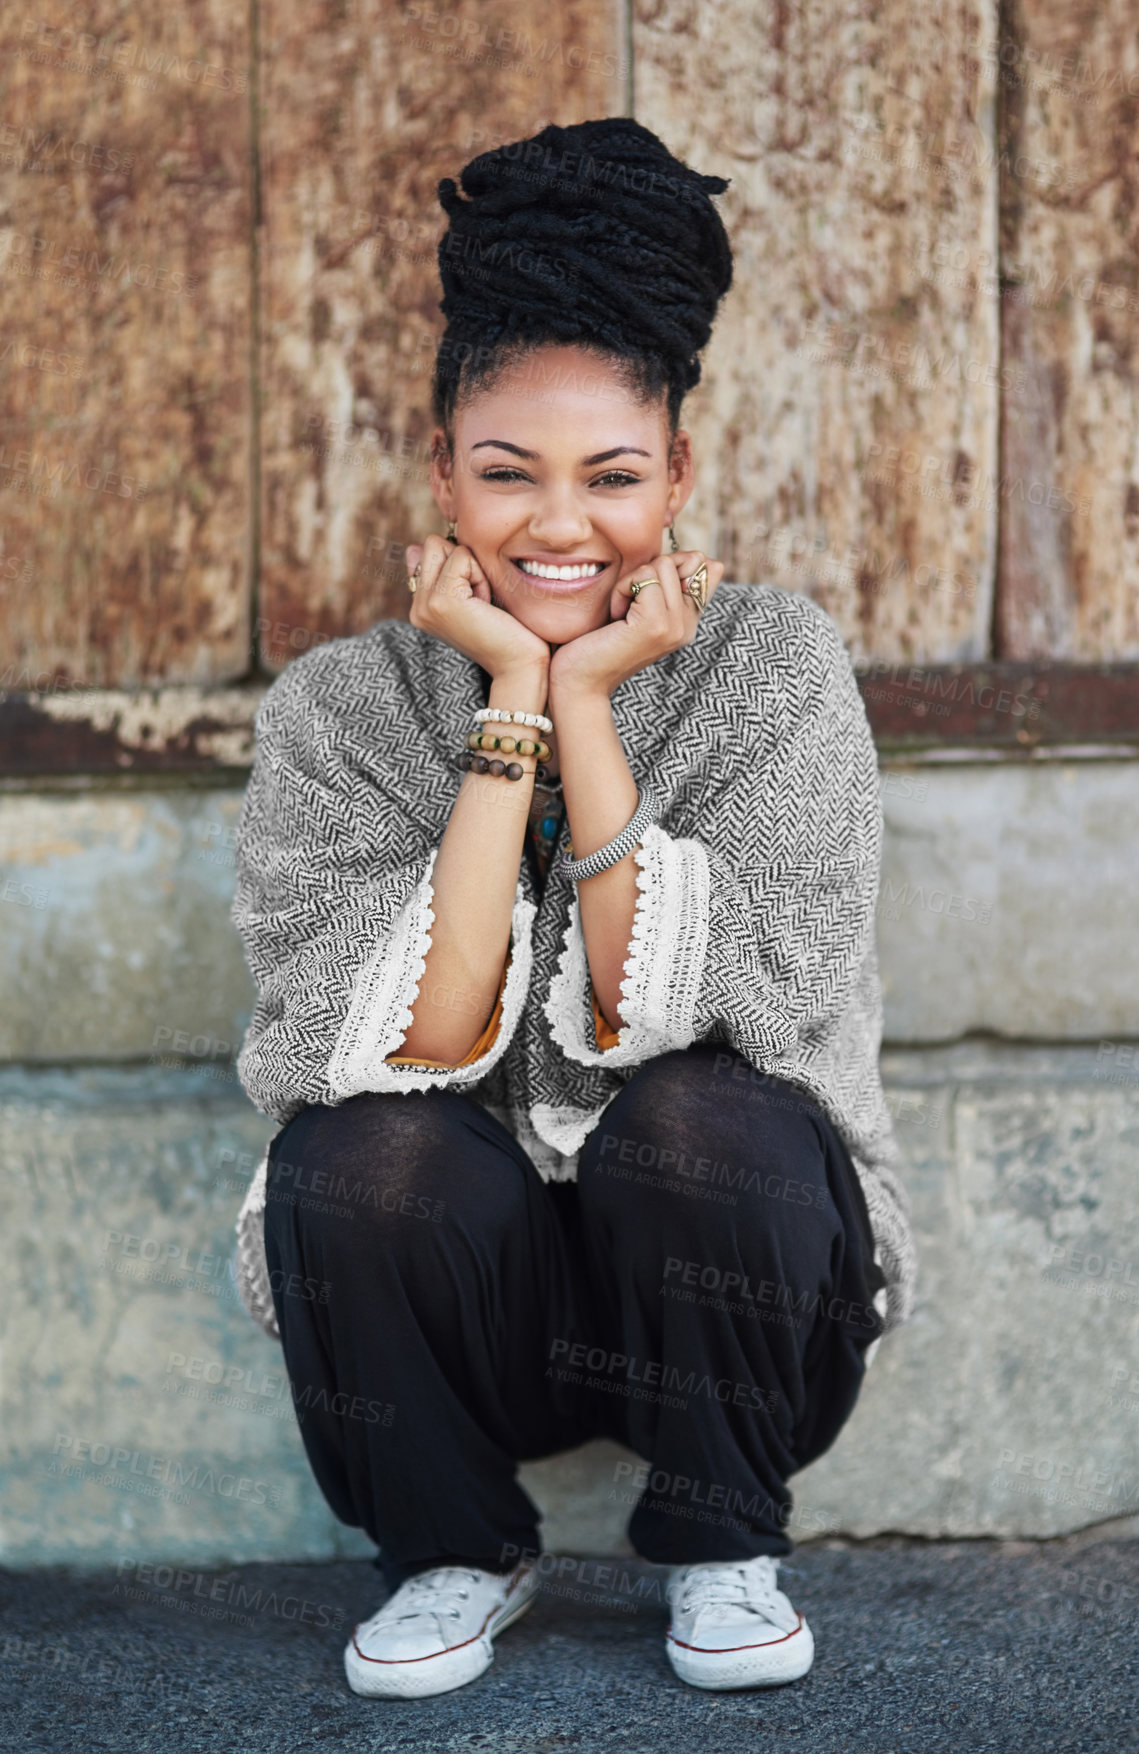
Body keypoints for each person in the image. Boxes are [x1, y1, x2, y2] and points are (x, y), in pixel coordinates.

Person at [229, 116, 918, 1701]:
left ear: (678, 472)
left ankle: (723, 1535)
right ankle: (453, 1547)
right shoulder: (336, 710)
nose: (558, 525)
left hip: (748, 1293)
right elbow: (419, 1033)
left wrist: (594, 704)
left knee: (706, 1112)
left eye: (612, 476)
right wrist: (514, 709)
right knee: (357, 1147)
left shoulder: (776, 669)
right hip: (476, 1315)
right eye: (506, 473)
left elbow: (703, 998)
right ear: (439, 476)